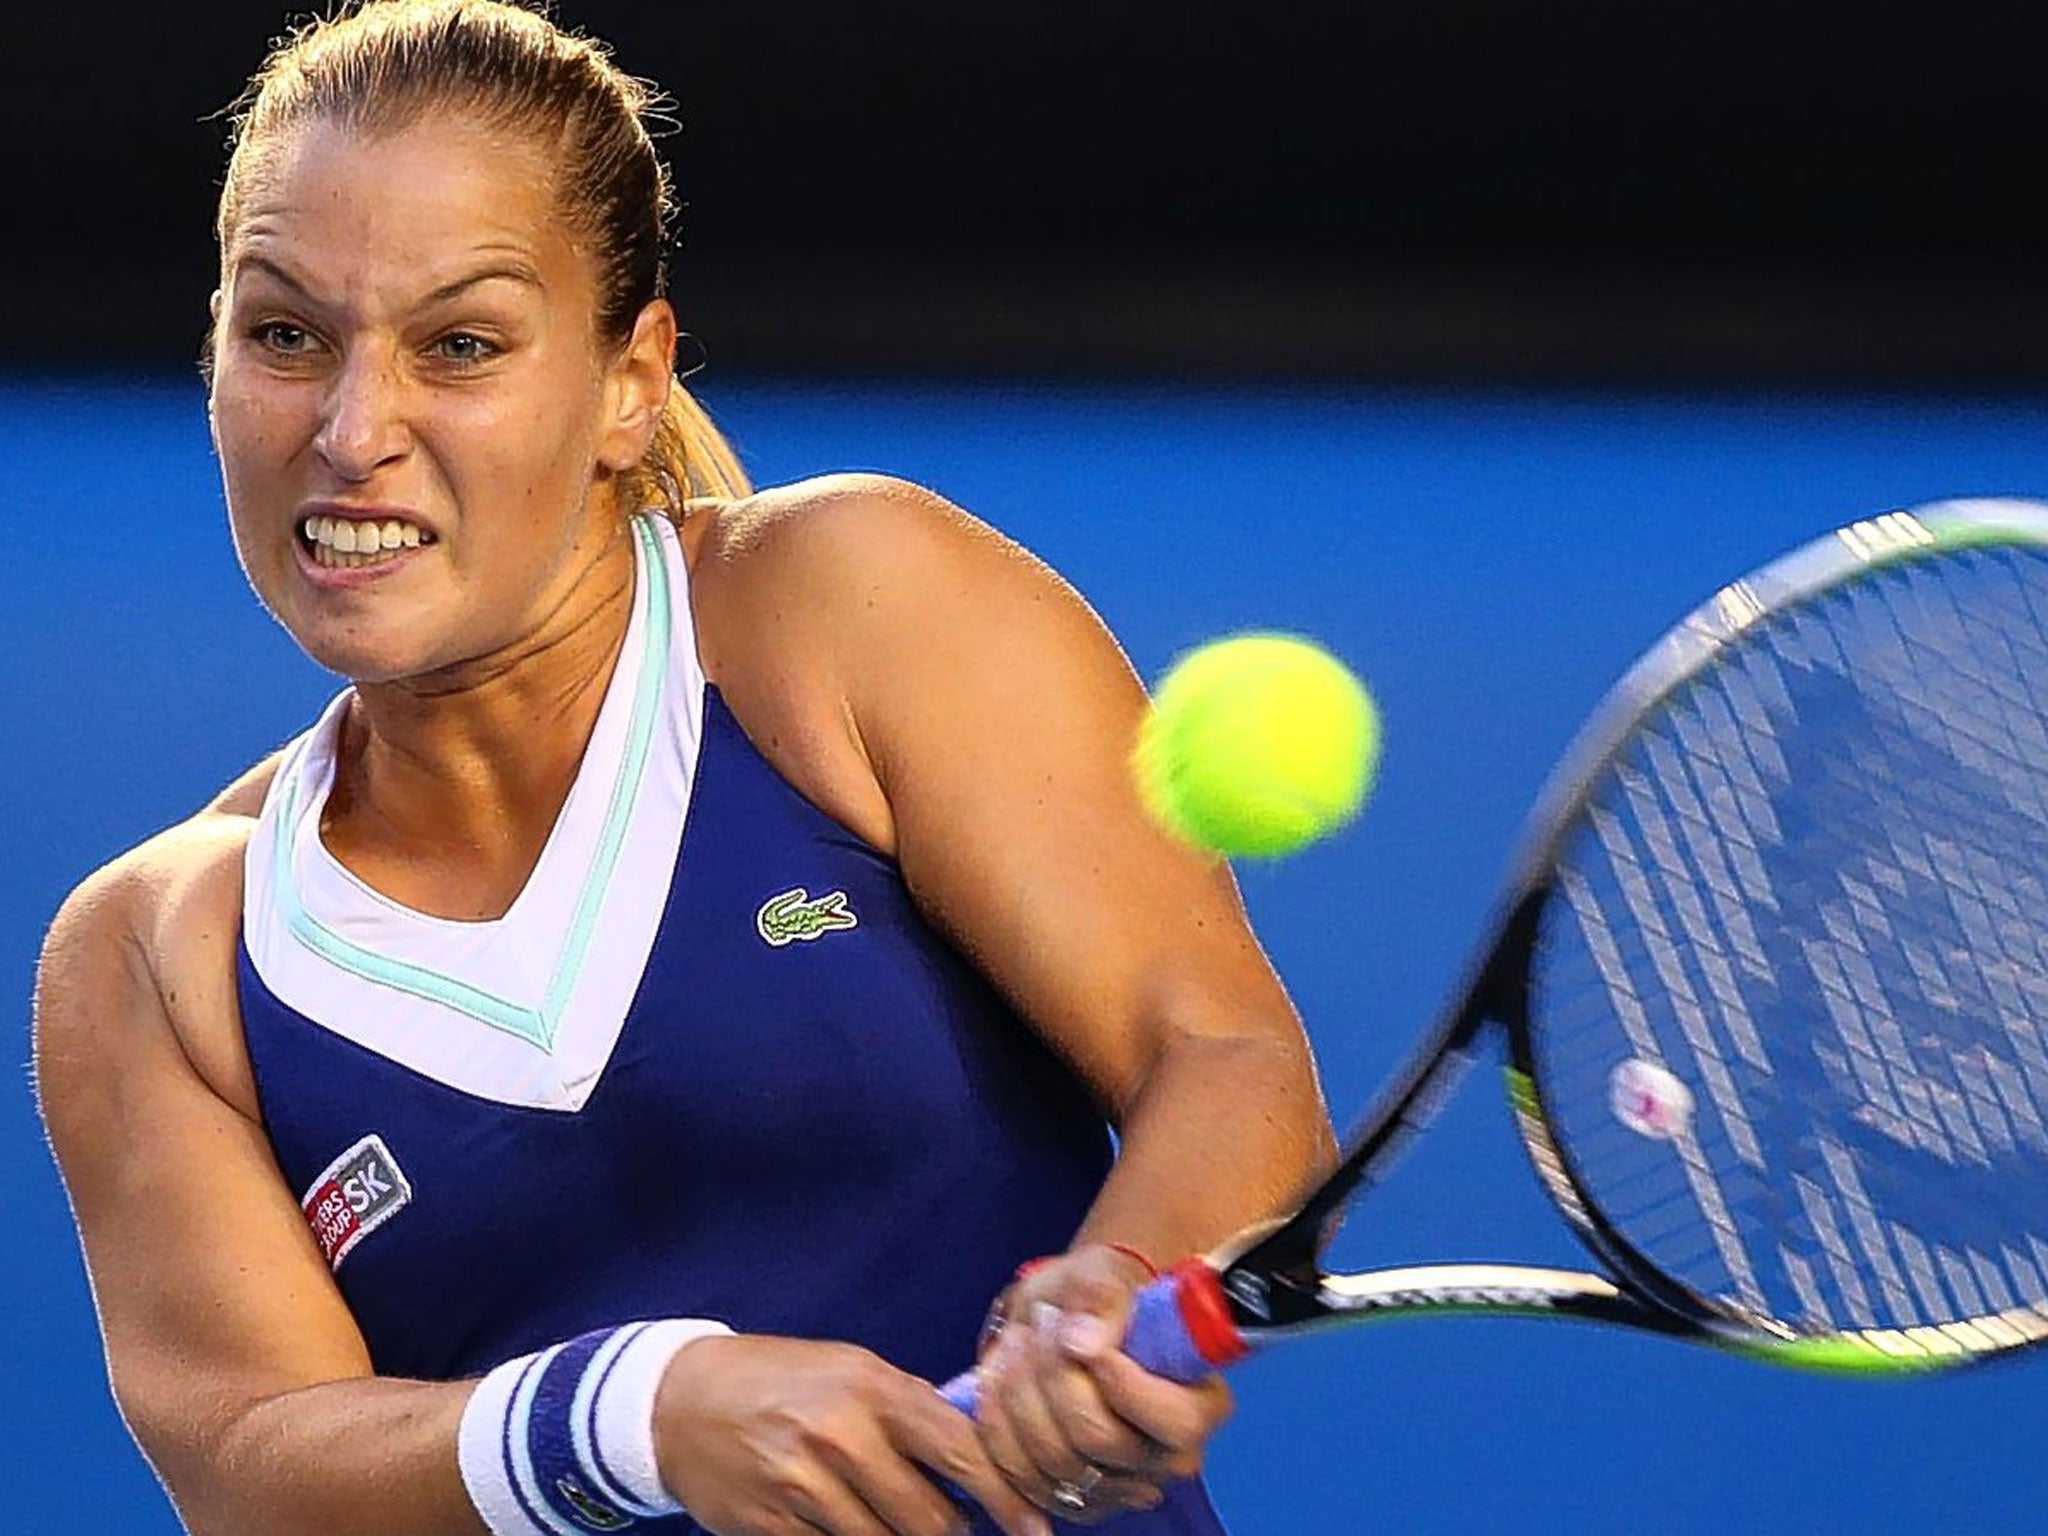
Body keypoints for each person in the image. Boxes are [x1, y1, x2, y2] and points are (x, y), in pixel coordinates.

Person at [32, 3, 1335, 1533]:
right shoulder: (158, 948)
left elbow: (1226, 1057)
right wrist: (629, 1415)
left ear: (627, 382)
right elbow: (256, 1468)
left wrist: (1110, 1293)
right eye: (285, 335)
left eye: (460, 344)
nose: (352, 429)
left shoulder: (849, 606)